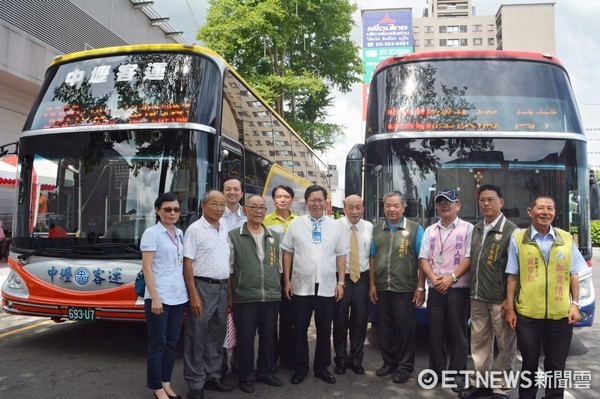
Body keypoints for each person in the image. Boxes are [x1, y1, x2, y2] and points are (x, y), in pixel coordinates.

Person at [504, 194, 585, 399]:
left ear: (555, 213)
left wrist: (575, 304)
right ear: (530, 212)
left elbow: (573, 274)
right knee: (529, 363)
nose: (545, 212)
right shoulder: (518, 239)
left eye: (550, 208)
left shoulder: (566, 238)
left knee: (556, 365)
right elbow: (513, 275)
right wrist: (510, 308)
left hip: (560, 315)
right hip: (528, 315)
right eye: (540, 208)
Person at [281, 185, 349, 385]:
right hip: (301, 286)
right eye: (313, 200)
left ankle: (321, 367)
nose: (316, 203)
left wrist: (341, 282)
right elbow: (288, 252)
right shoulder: (296, 224)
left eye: (320, 200)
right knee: (300, 328)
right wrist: (287, 280)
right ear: (307, 202)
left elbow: (341, 255)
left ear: (326, 202)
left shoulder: (335, 225)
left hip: (327, 286)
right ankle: (301, 367)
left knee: (324, 329)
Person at [460, 184, 519, 399]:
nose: (486, 203)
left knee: (505, 346)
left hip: (500, 299)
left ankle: (502, 389)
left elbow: (516, 270)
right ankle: (480, 384)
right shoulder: (475, 229)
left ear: (501, 202)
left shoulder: (512, 231)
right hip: (477, 296)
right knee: (479, 344)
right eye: (482, 200)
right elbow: (469, 259)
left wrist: (509, 301)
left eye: (490, 199)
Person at [228, 195, 283, 393]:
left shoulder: (274, 236)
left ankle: (266, 371)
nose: (258, 211)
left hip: (270, 296)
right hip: (245, 296)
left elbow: (278, 267)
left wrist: (277, 289)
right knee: (246, 338)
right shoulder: (234, 235)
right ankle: (246, 376)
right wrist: (231, 298)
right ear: (245, 210)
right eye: (253, 207)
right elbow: (230, 271)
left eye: (262, 207)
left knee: (269, 336)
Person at [419, 188, 473, 389]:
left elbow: (469, 257)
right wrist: (433, 278)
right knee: (435, 332)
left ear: (457, 205)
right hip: (435, 288)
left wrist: (450, 277)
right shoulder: (430, 230)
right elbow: (423, 258)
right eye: (440, 202)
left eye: (448, 202)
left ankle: (457, 375)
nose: (444, 206)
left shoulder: (468, 229)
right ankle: (436, 372)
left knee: (458, 333)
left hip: (458, 288)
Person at [183, 190, 234, 399]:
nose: (220, 208)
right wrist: (193, 295)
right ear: (203, 205)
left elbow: (227, 264)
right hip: (202, 287)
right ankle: (195, 383)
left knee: (216, 334)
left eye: (222, 205)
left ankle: (212, 375)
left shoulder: (225, 228)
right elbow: (187, 264)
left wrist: (229, 294)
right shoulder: (195, 229)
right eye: (215, 204)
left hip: (222, 288)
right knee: (197, 336)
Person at [369, 191, 425, 384]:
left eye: (395, 205)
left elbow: (422, 259)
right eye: (387, 205)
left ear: (403, 207)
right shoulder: (377, 229)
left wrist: (420, 287)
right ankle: (389, 363)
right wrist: (372, 286)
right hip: (383, 287)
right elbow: (372, 259)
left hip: (405, 288)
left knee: (405, 329)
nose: (391, 209)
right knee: (385, 328)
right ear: (383, 207)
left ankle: (405, 367)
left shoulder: (415, 228)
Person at [140, 192, 189, 399]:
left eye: (176, 209)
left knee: (172, 342)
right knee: (157, 343)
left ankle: (166, 383)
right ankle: (156, 387)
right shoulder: (152, 234)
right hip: (159, 298)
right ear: (158, 211)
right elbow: (147, 269)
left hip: (179, 297)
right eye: (167, 209)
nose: (172, 213)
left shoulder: (179, 233)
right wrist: (155, 297)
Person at [332, 195, 373, 376]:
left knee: (360, 321)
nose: (355, 211)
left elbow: (372, 258)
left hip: (362, 279)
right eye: (351, 207)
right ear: (344, 208)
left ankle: (356, 360)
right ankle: (340, 359)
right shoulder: (335, 227)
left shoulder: (369, 228)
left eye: (358, 207)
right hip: (341, 279)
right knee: (340, 321)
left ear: (363, 208)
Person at [263, 185, 297, 369]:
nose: (282, 199)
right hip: (271, 273)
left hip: (292, 275)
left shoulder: (299, 221)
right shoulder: (265, 221)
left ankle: (287, 357)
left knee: (288, 319)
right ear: (273, 200)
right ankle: (271, 359)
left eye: (286, 196)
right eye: (278, 196)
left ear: (292, 199)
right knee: (269, 320)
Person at [219, 176, 246, 374]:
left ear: (242, 193)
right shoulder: (216, 214)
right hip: (221, 274)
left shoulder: (248, 214)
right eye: (228, 189)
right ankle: (219, 367)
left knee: (242, 322)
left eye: (236, 189)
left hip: (243, 275)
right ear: (223, 192)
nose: (232, 193)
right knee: (220, 322)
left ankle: (239, 364)